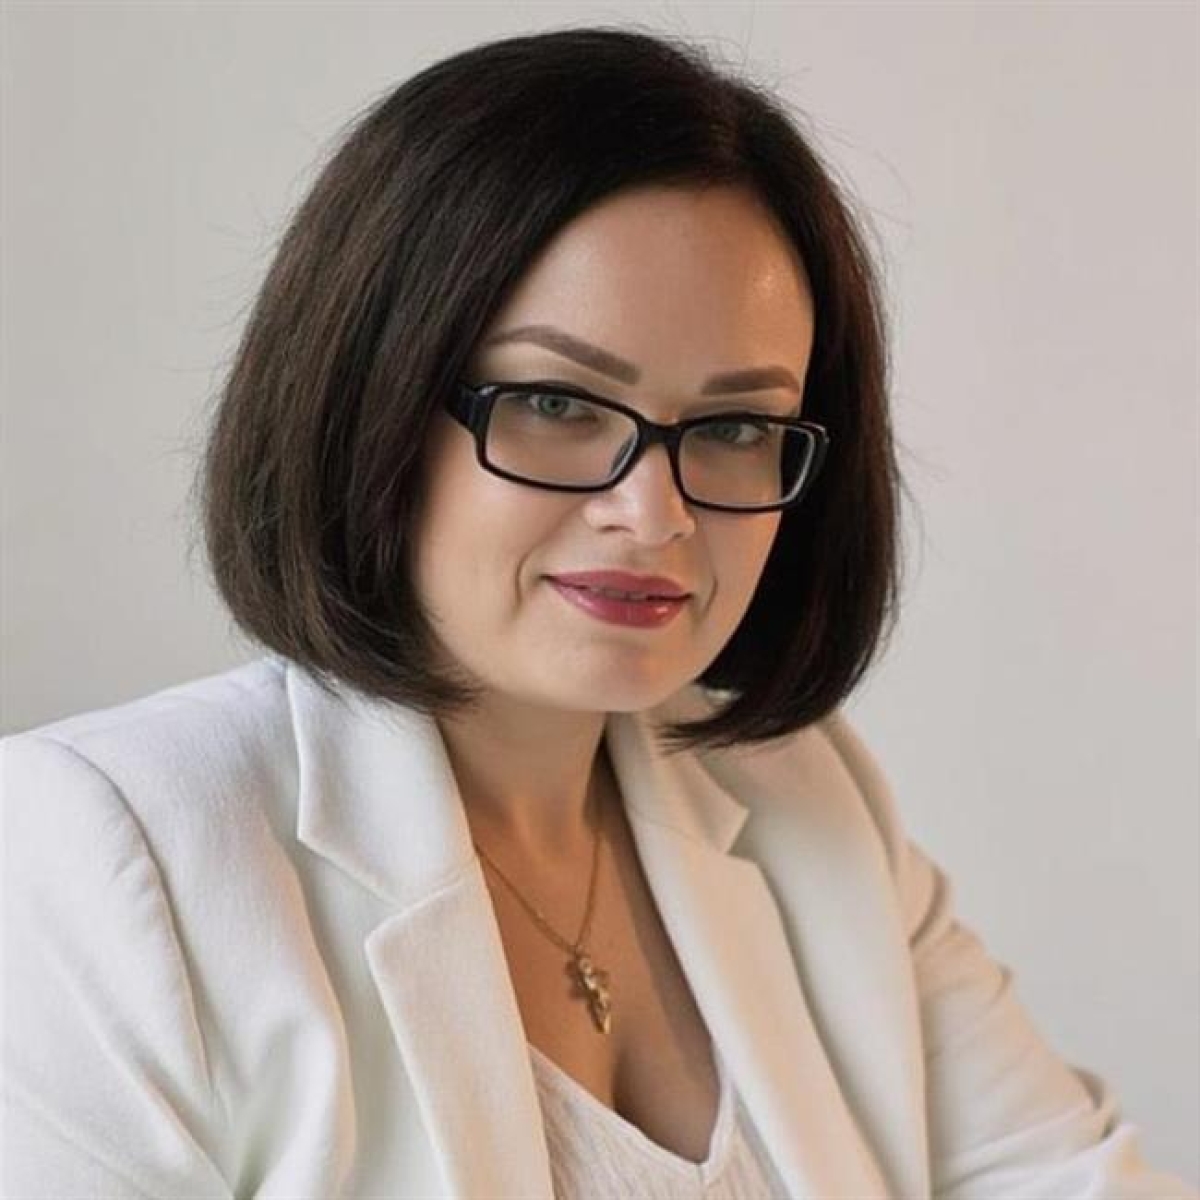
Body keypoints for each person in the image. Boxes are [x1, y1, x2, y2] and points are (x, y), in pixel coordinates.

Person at [3, 24, 1195, 1200]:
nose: (654, 513)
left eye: (735, 426)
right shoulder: (106, 854)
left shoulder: (810, 805)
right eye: (558, 404)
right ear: (372, 404)